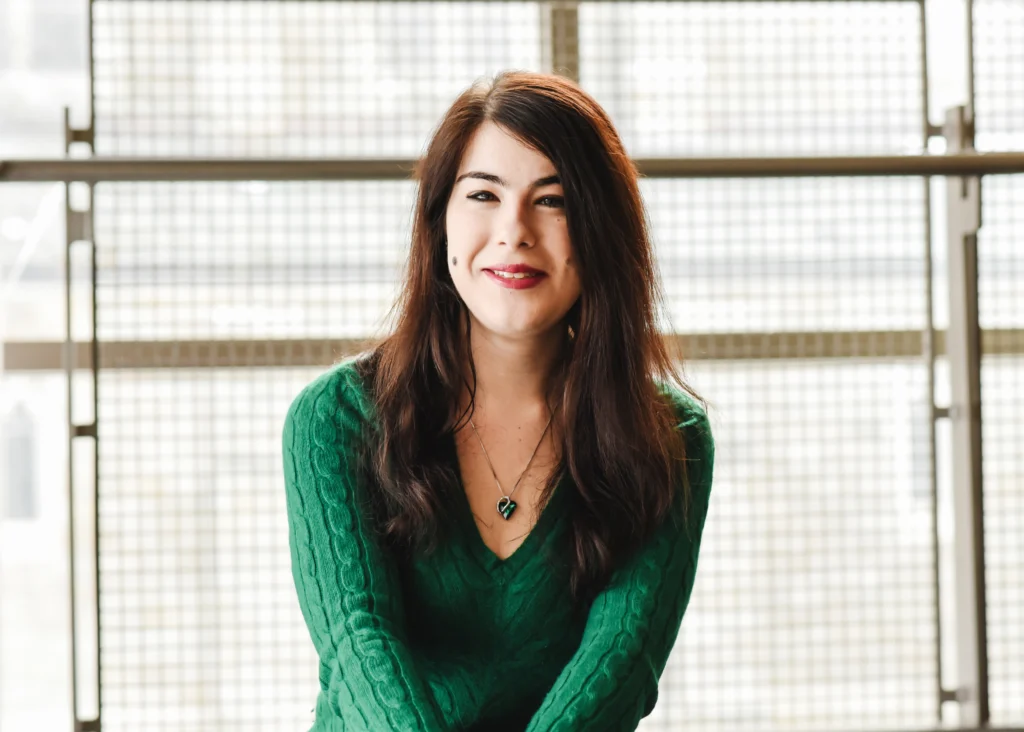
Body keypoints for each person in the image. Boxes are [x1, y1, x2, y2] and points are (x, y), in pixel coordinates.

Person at [281, 70, 716, 732]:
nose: (514, 231)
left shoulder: (668, 438)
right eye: (483, 194)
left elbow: (623, 661)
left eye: (555, 201)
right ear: (441, 224)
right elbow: (356, 641)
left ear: (601, 231)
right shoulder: (335, 418)